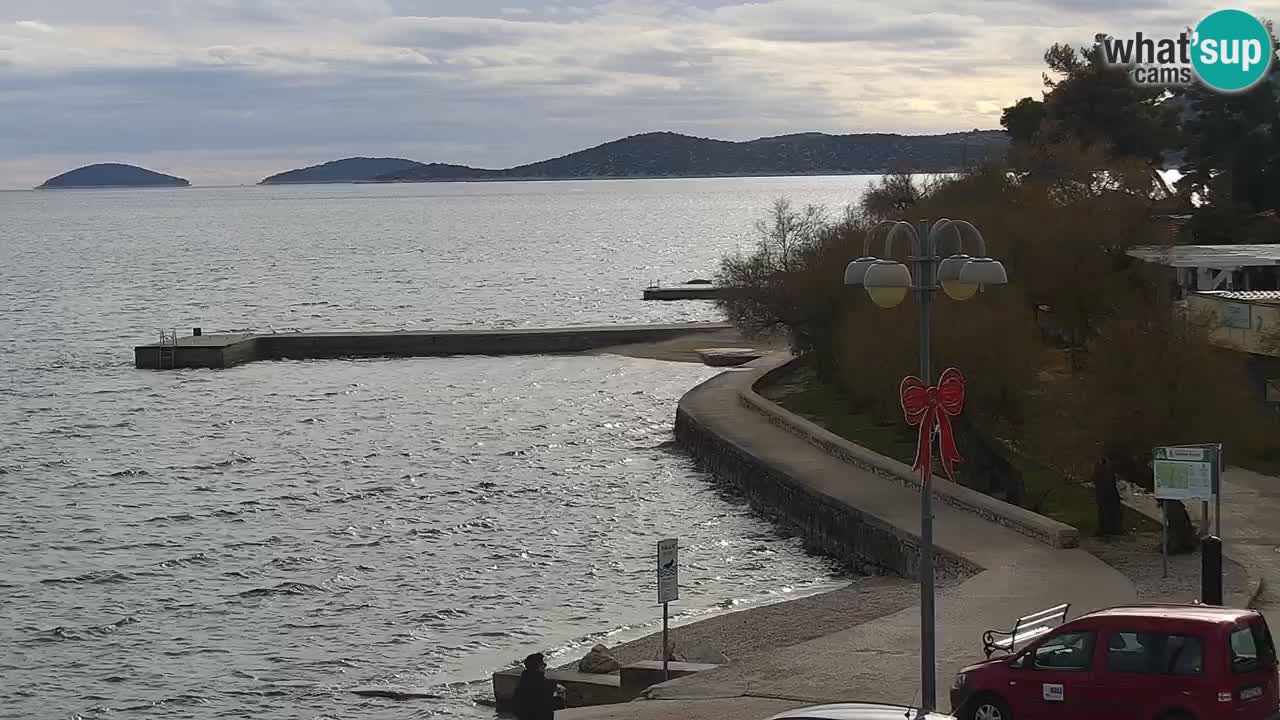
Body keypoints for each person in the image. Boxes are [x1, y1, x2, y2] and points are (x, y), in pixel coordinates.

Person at [513, 652, 564, 720]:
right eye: (543, 664)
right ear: (539, 666)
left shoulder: (524, 678)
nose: (545, 665)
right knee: (559, 700)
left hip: (522, 713)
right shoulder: (542, 682)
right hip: (537, 714)